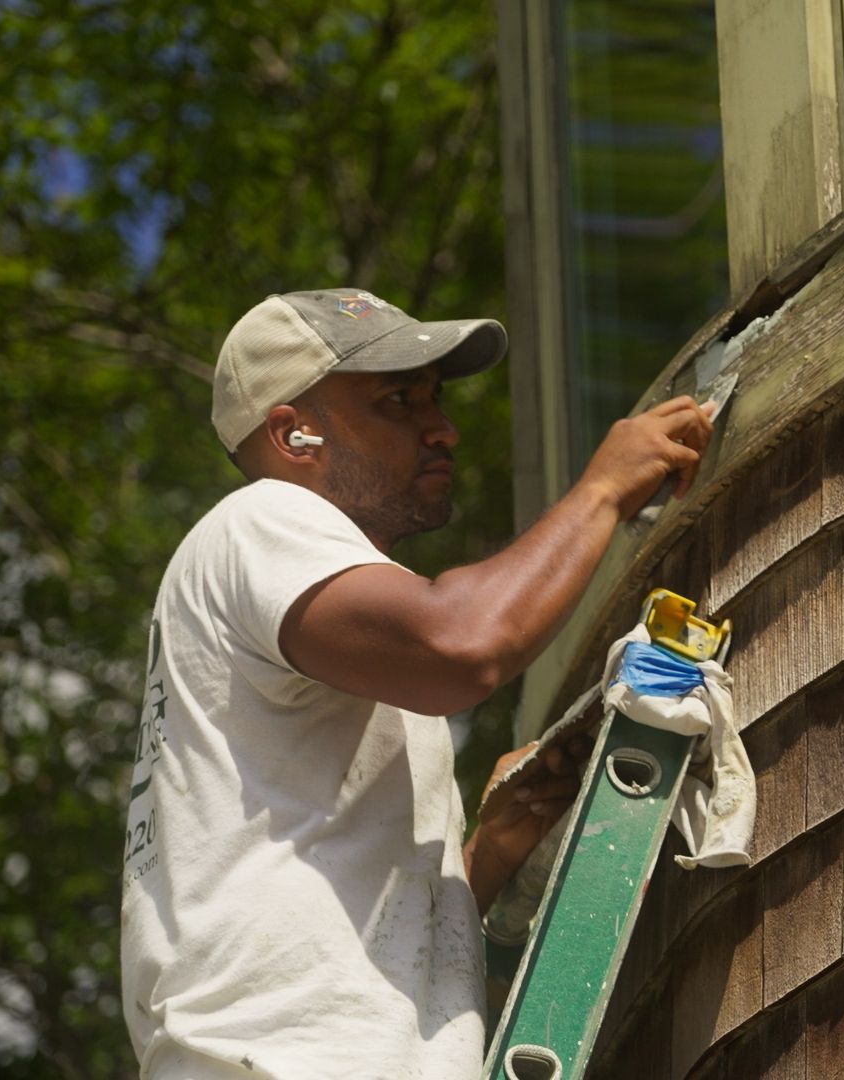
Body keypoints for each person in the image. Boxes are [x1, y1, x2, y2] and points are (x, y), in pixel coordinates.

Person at [119, 287, 714, 1079]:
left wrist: (489, 853)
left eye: (434, 398)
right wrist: (603, 489)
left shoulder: (337, 636)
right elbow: (462, 644)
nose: (443, 427)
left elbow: (352, 942)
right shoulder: (257, 521)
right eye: (398, 400)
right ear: (292, 432)